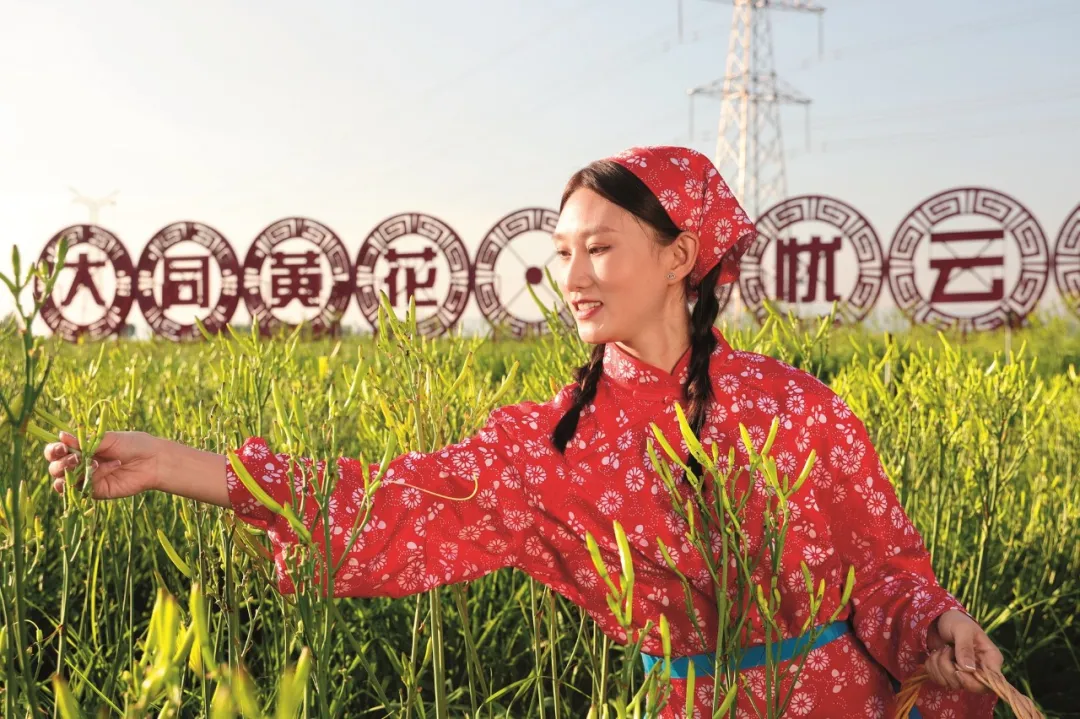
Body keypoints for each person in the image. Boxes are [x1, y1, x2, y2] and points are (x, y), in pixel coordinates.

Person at [45, 145, 1003, 718]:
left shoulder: (797, 405)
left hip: (849, 700)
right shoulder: (552, 445)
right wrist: (173, 464)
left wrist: (940, 623)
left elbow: (886, 568)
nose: (571, 277)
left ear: (680, 255)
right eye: (561, 252)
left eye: (600, 248)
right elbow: (390, 504)